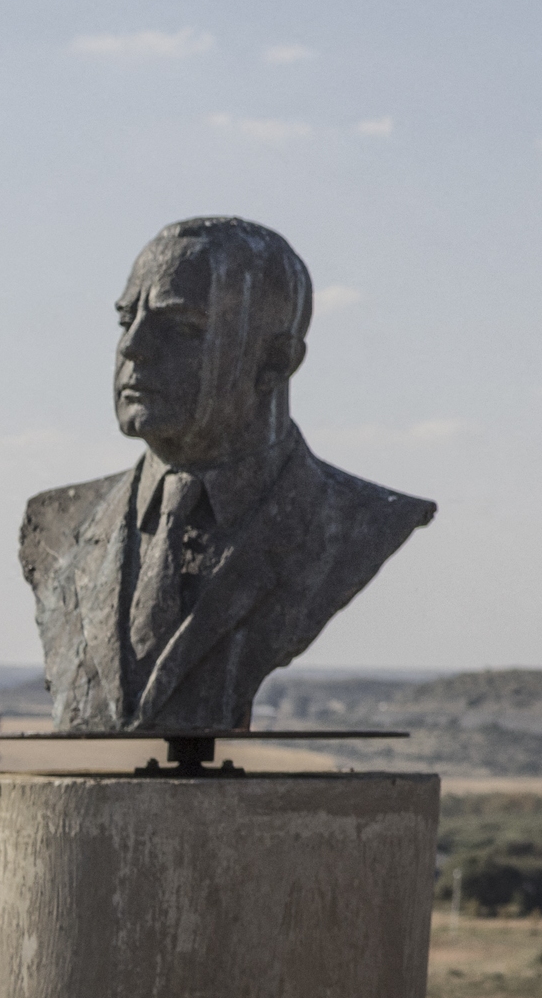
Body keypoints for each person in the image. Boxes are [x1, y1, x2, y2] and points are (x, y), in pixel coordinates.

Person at [22, 217, 435, 735]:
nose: (134, 346)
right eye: (127, 318)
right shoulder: (59, 526)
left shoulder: (360, 522)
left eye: (181, 327)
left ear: (275, 361)